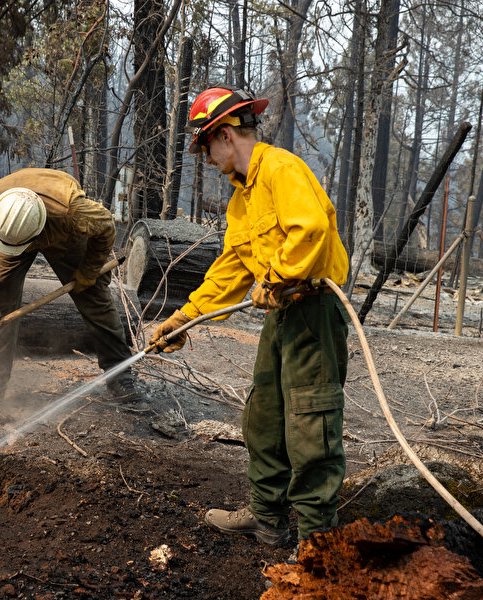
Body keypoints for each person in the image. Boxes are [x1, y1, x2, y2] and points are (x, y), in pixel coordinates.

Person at [150, 87, 350, 547]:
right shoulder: (242, 199)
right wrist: (185, 317)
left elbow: (312, 229)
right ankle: (267, 518)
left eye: (205, 147)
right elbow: (233, 269)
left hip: (314, 310)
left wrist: (278, 276)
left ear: (223, 135)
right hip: (280, 315)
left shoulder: (281, 169)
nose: (205, 158)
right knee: (264, 415)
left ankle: (318, 539)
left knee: (310, 420)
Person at [0, 168, 140, 419]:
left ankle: (120, 376)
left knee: (94, 297)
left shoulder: (72, 213)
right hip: (13, 231)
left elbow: (106, 227)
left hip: (58, 229)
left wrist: (88, 271)